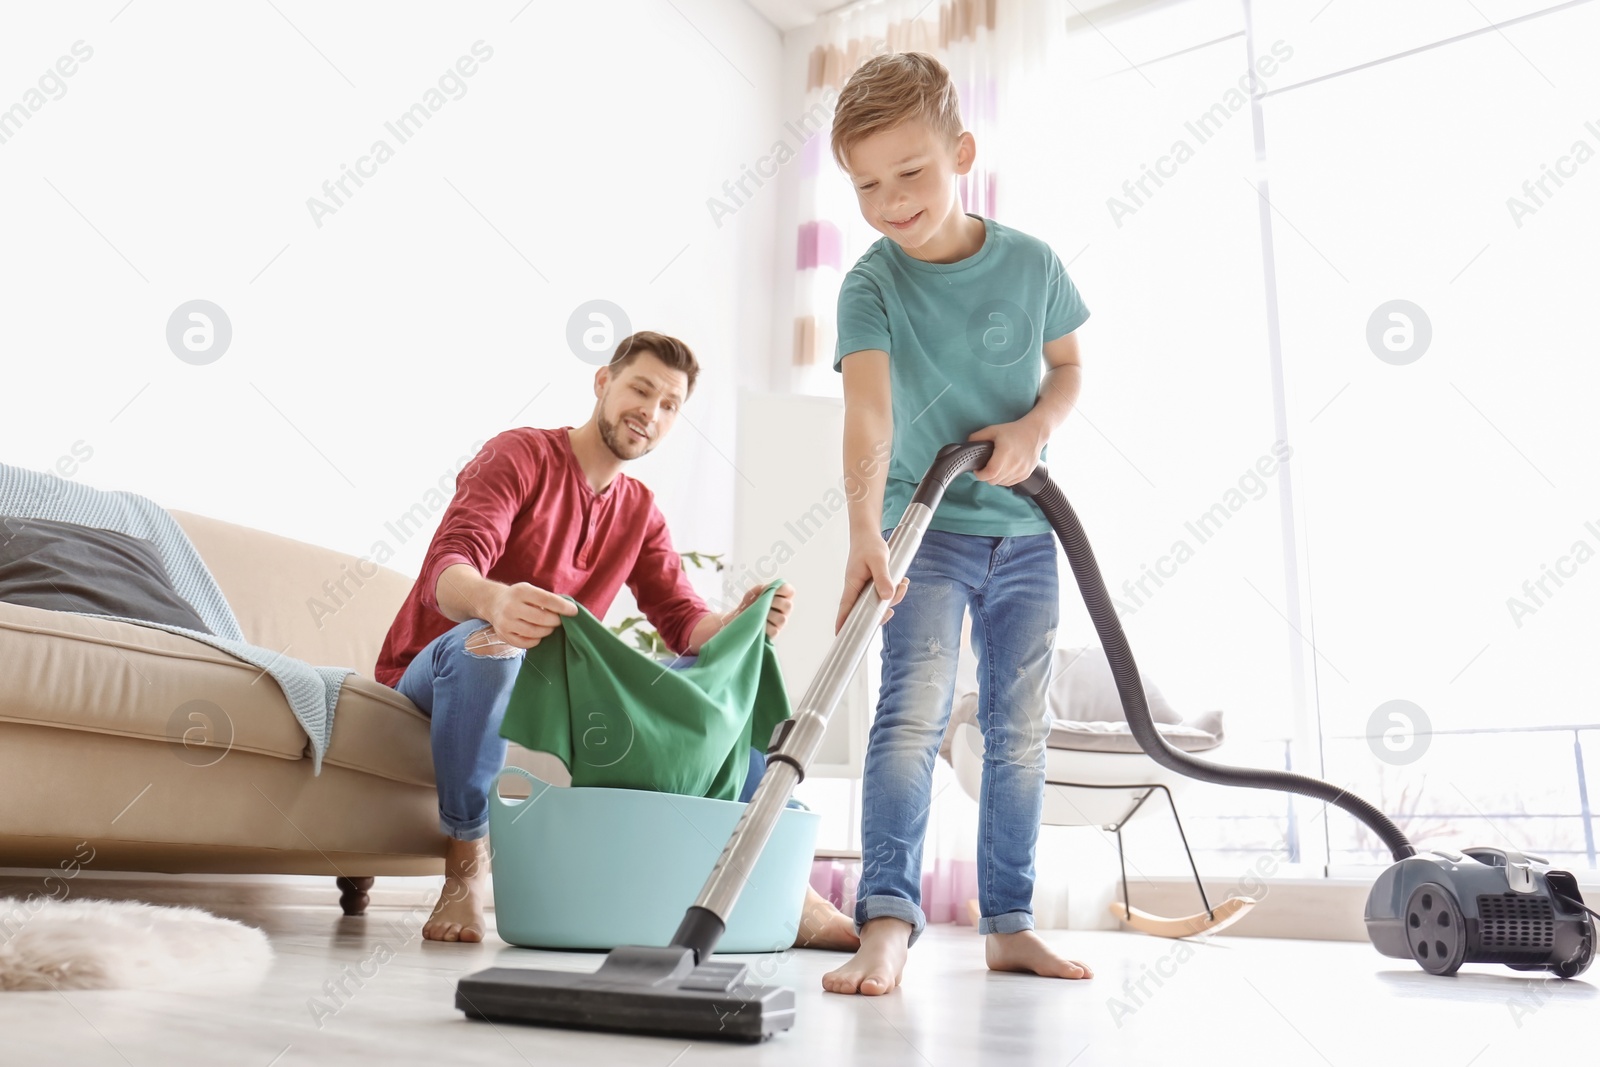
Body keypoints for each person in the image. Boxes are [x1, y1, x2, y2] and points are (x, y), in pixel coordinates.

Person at [374, 330, 859, 948]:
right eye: (640, 389)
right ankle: (465, 869)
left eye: (670, 405)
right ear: (603, 383)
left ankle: (785, 884)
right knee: (491, 645)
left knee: (728, 677)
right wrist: (496, 600)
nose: (651, 413)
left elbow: (685, 624)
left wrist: (739, 623)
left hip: (550, 692)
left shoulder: (639, 509)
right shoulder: (519, 455)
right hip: (442, 668)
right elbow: (449, 566)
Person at [823, 52, 1096, 995]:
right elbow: (868, 414)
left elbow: (1067, 370)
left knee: (1020, 729)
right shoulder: (871, 286)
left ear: (962, 152)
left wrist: (1033, 428)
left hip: (1026, 532)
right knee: (909, 719)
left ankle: (1010, 922)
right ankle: (888, 920)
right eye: (866, 183)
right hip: (924, 530)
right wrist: (866, 527)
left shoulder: (1032, 263)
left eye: (912, 171)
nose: (892, 200)